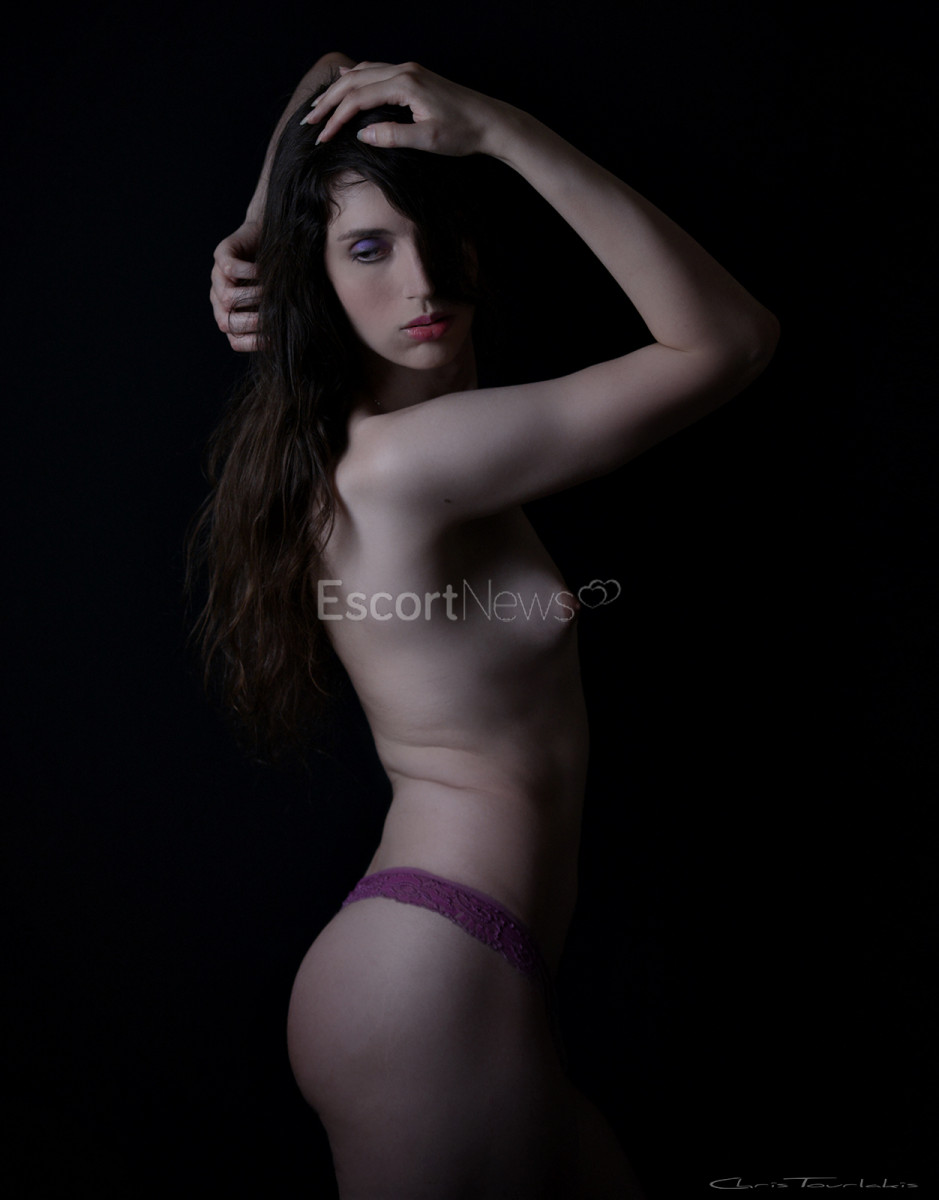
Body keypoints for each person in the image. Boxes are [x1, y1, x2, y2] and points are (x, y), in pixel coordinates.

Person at [197, 51, 779, 1199]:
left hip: (449, 967)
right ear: (321, 274)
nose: (423, 279)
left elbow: (335, 72)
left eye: (437, 236)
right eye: (368, 249)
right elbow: (732, 339)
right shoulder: (410, 463)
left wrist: (263, 219)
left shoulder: (386, 446)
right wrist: (506, 133)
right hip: (432, 977)